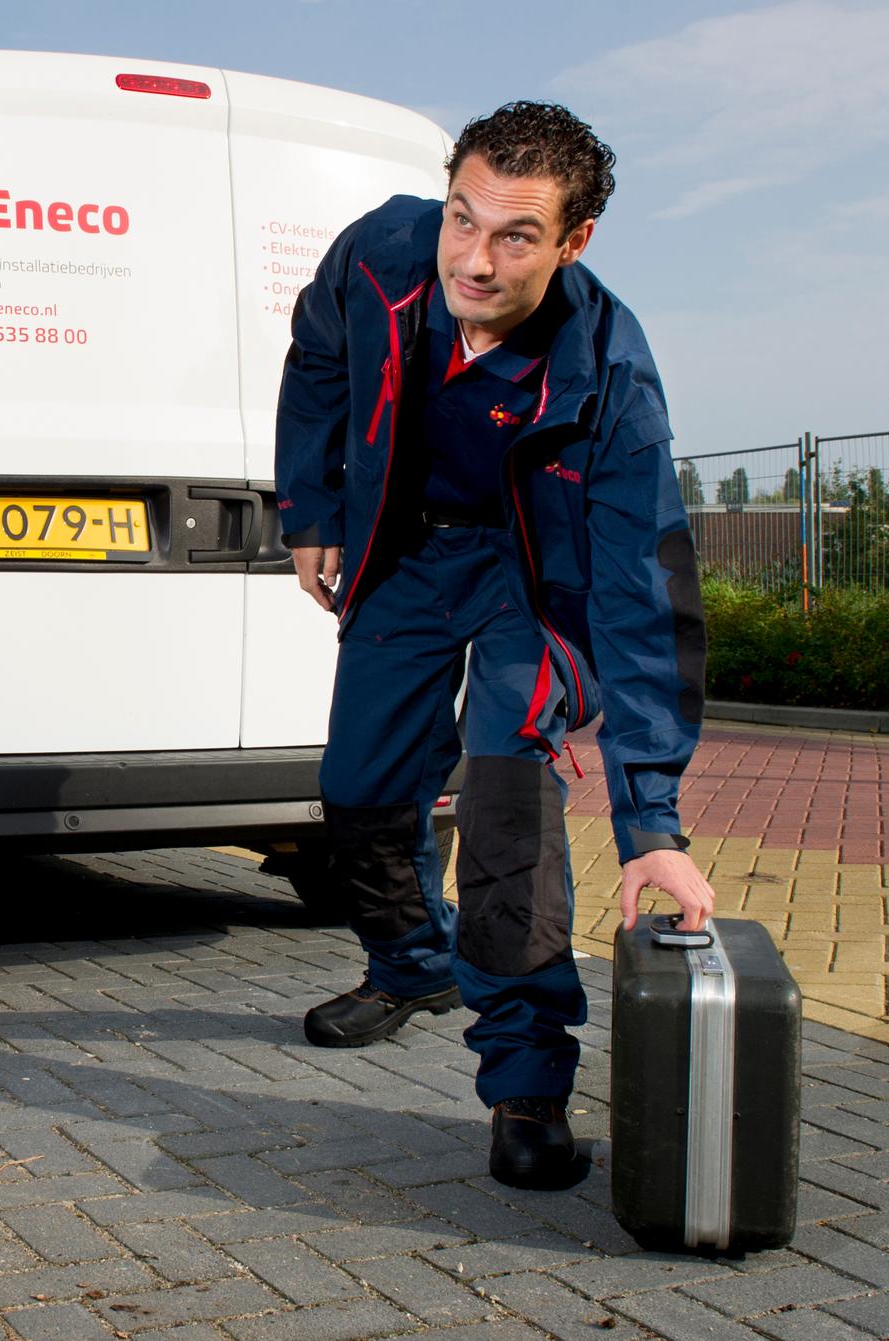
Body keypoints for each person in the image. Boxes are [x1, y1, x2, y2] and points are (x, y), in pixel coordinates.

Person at [273, 101, 716, 1192]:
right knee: (361, 789)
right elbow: (319, 354)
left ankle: (526, 1082)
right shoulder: (383, 251)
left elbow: (642, 590)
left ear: (575, 240)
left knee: (508, 798)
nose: (475, 257)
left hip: (536, 589)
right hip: (410, 556)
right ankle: (412, 966)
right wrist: (312, 505)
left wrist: (650, 817)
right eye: (463, 217)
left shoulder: (611, 370)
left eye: (516, 234)